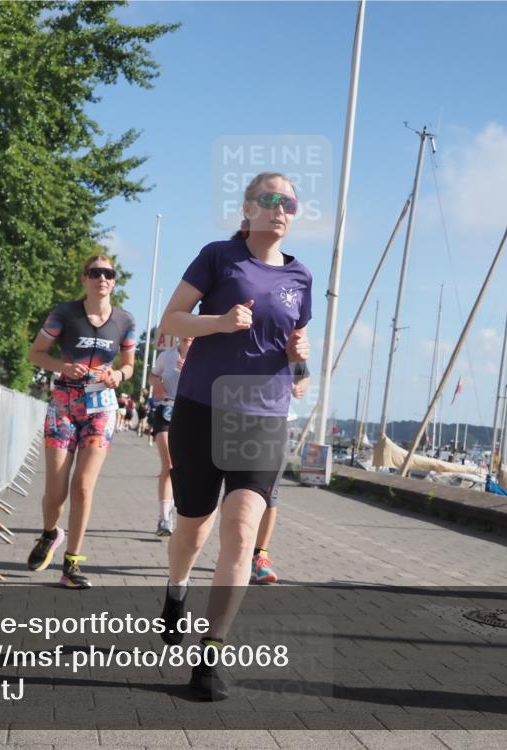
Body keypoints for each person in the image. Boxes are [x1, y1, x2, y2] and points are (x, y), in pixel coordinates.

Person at [156, 172, 311, 700]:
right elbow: (169, 322)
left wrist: (300, 362)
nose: (279, 208)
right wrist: (219, 322)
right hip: (202, 409)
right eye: (268, 199)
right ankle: (176, 594)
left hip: (264, 418)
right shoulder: (219, 257)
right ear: (247, 210)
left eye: (287, 201)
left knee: (242, 532)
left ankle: (210, 654)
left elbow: (296, 358)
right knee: (192, 529)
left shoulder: (301, 279)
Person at [26, 255, 136, 589]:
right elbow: (36, 353)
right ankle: (49, 535)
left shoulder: (125, 320)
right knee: (56, 491)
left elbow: (129, 365)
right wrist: (62, 366)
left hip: (101, 406)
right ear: (84, 279)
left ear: (114, 281)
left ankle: (71, 564)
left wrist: (119, 373)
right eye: (95, 273)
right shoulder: (64, 313)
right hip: (64, 404)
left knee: (84, 486)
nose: (102, 278)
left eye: (108, 274)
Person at [252, 362, 310, 584]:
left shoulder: (290, 345)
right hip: (239, 423)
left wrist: (300, 387)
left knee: (270, 494)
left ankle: (260, 556)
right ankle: (235, 548)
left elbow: (304, 375)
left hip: (278, 424)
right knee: (237, 492)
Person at [149, 337, 194, 536]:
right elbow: (153, 375)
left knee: (183, 468)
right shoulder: (166, 356)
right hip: (166, 410)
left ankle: (174, 507)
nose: (188, 336)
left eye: (193, 332)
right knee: (168, 464)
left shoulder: (202, 358)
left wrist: (192, 372)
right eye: (185, 331)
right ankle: (163, 519)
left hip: (191, 414)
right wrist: (156, 383)